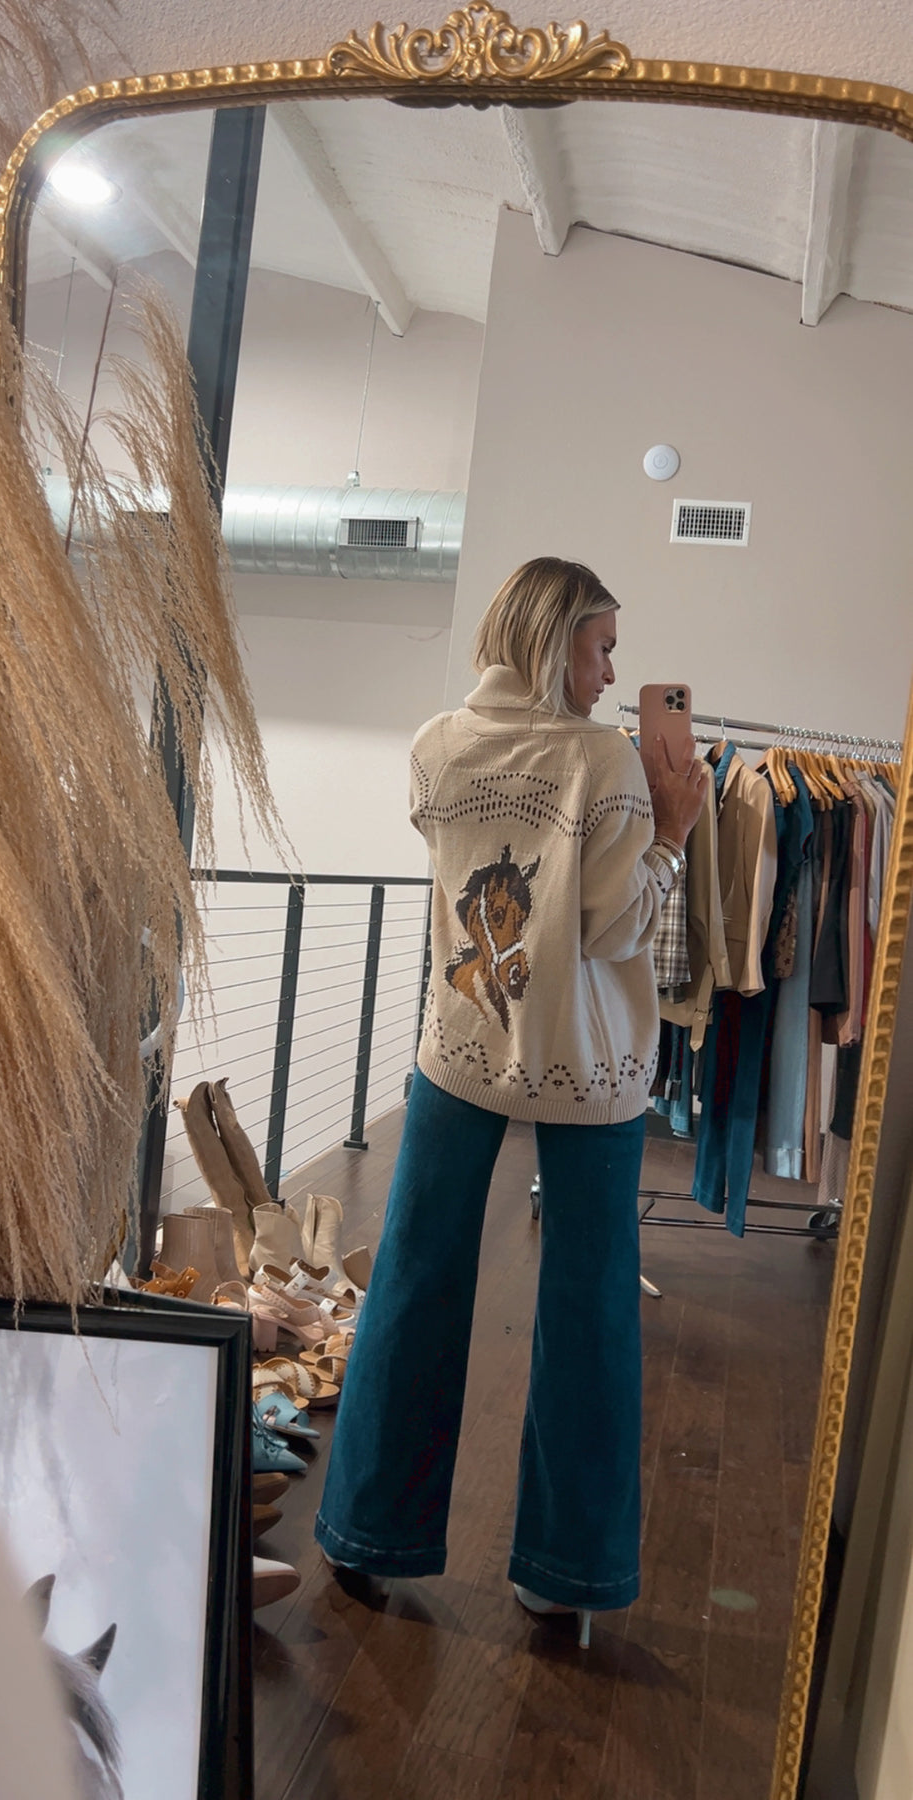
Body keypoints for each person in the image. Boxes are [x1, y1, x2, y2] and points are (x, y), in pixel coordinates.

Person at [314, 556, 707, 1632]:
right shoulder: (607, 761)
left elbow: (457, 855)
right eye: (602, 647)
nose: (611, 672)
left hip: (461, 1042)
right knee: (588, 1304)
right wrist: (671, 834)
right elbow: (616, 929)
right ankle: (562, 1574)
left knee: (413, 1277)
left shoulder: (436, 743)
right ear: (553, 637)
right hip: (591, 1062)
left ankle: (365, 1533)